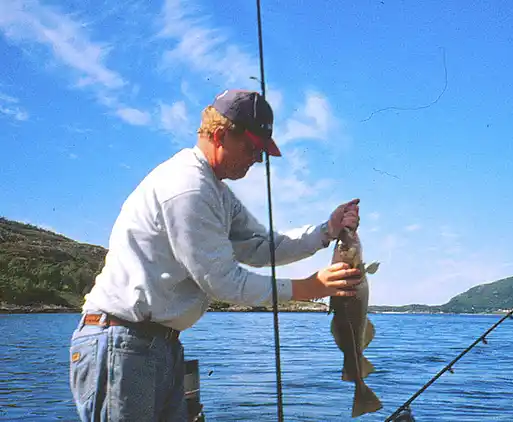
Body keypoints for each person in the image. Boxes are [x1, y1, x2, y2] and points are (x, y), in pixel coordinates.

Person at [68, 89, 363, 421]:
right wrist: (306, 288)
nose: (257, 160)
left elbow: (258, 245)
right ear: (221, 135)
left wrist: (326, 230)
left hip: (154, 345)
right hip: (123, 344)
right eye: (253, 148)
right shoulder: (189, 188)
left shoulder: (215, 192)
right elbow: (222, 281)